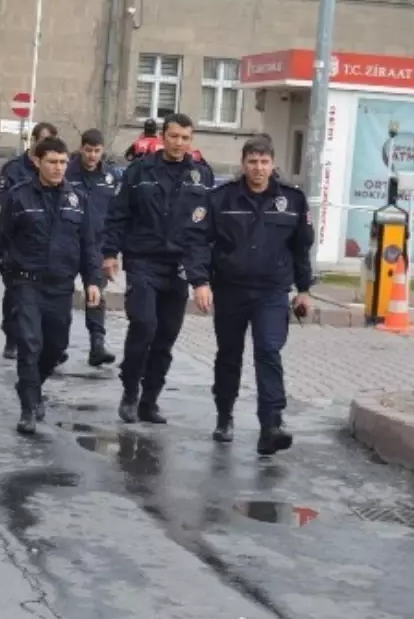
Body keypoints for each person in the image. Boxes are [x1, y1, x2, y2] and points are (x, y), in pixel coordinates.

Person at [0, 136, 101, 434]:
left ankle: (31, 385)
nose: (58, 168)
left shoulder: (78, 199)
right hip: (26, 283)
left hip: (61, 286)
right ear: (37, 162)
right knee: (30, 345)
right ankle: (29, 407)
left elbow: (89, 245)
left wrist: (94, 281)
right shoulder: (20, 197)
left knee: (56, 347)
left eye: (62, 162)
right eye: (52, 162)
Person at [102, 113, 214, 425]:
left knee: (165, 337)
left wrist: (202, 275)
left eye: (185, 138)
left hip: (178, 266)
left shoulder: (201, 175)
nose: (179, 143)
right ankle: (129, 392)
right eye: (174, 136)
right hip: (143, 261)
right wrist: (110, 252)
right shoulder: (140, 170)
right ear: (163, 137)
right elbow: (118, 213)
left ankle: (150, 399)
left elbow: (205, 228)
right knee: (144, 325)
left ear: (191, 140)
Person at [206, 136, 312, 455]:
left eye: (264, 162)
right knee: (229, 355)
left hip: (271, 291)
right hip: (230, 290)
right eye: (252, 161)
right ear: (243, 164)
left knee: (268, 351)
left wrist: (304, 290)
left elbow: (301, 249)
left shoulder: (292, 201)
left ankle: (271, 425)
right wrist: (200, 282)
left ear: (273, 164)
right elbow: (201, 242)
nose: (258, 168)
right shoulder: (222, 199)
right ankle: (225, 416)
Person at [0, 121, 59, 360]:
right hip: (16, 243)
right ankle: (12, 336)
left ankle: (39, 342)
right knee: (14, 296)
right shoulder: (13, 169)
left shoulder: (56, 168)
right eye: (40, 140)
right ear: (32, 141)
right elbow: (6, 203)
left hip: (45, 248)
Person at [65, 128, 118, 367]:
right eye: (88, 150)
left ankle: (97, 344)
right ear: (81, 148)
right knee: (61, 296)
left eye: (97, 151)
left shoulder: (110, 177)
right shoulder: (67, 172)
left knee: (96, 293)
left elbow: (116, 214)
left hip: (97, 244)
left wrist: (111, 253)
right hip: (68, 243)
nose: (92, 156)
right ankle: (56, 344)